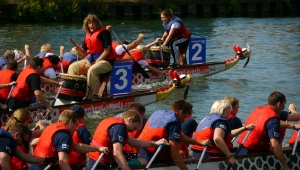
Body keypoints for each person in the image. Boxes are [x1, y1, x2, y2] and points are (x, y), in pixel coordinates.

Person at [132, 100, 210, 170]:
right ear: (181, 112)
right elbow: (175, 155)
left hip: (142, 152)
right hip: (157, 159)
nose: (184, 120)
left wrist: (200, 143)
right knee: (181, 154)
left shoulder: (157, 113)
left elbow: (178, 135)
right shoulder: (174, 123)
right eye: (185, 116)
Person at [86, 110, 168, 170]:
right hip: (101, 163)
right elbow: (117, 153)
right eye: (134, 128)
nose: (132, 131)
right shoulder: (120, 127)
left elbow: (134, 142)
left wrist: (154, 143)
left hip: (93, 159)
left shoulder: (111, 121)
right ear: (129, 119)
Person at [30, 110, 108, 170]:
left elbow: (77, 146)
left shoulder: (51, 127)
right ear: (71, 122)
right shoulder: (64, 135)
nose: (76, 127)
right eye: (76, 124)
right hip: (46, 167)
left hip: (35, 165)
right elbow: (62, 162)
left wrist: (98, 148)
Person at [67, 14, 116, 102]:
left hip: (106, 61)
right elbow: (85, 52)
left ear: (97, 23)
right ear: (87, 24)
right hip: (91, 60)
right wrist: (79, 49)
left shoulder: (104, 33)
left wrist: (97, 61)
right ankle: (73, 92)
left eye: (93, 23)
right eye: (89, 23)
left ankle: (89, 96)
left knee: (92, 70)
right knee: (73, 67)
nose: (91, 25)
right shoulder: (88, 35)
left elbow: (106, 51)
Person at [191, 100, 254, 166]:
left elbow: (228, 135)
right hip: (209, 154)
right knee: (243, 151)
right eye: (229, 111)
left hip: (197, 153)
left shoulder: (207, 119)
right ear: (223, 111)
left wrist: (245, 128)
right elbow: (217, 139)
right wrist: (230, 157)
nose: (229, 114)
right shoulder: (220, 122)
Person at [237, 91, 290, 170]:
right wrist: (285, 166)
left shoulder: (258, 109)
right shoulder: (273, 118)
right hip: (253, 154)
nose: (283, 108)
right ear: (278, 104)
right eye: (283, 105)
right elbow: (274, 145)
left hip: (241, 149)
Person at [68, 104, 92, 170]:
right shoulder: (82, 129)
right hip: (77, 165)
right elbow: (91, 145)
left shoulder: (64, 126)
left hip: (64, 163)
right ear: (81, 118)